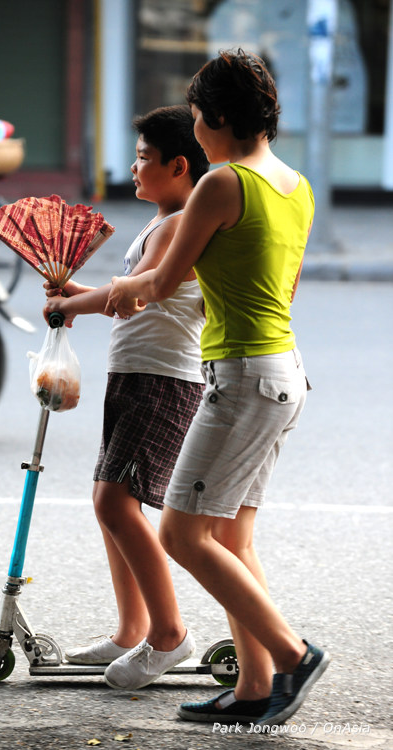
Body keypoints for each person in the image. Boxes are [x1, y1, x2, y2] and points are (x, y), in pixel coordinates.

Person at [107, 49, 330, 726]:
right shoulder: (295, 185)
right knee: (231, 540)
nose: (194, 132)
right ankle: (256, 689)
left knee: (181, 533)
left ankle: (294, 656)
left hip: (240, 381)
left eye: (199, 117)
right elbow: (279, 293)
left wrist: (116, 292)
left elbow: (161, 283)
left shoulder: (221, 184)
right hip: (284, 372)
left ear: (220, 118)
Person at [43, 105, 209, 690]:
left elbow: (134, 298)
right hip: (136, 375)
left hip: (164, 381)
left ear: (179, 165)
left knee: (117, 502)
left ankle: (169, 634)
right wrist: (78, 294)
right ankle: (129, 628)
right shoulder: (160, 221)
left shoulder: (179, 223)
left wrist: (72, 304)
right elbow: (126, 294)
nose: (132, 168)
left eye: (143, 158)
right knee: (108, 500)